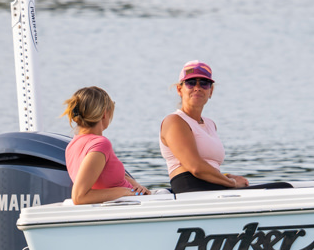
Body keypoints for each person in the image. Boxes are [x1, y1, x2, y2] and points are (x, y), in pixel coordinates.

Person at [159, 61, 252, 193]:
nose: (197, 88)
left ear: (211, 91)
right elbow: (195, 167)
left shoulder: (210, 124)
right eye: (191, 83)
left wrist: (225, 177)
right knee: (281, 188)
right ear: (180, 89)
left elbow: (208, 165)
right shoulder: (174, 121)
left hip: (212, 187)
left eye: (204, 83)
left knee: (284, 186)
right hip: (191, 189)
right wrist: (232, 183)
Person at [63, 86, 150, 204]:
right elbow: (79, 197)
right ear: (104, 114)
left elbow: (106, 174)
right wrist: (124, 191)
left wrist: (136, 187)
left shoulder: (72, 145)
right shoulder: (100, 144)